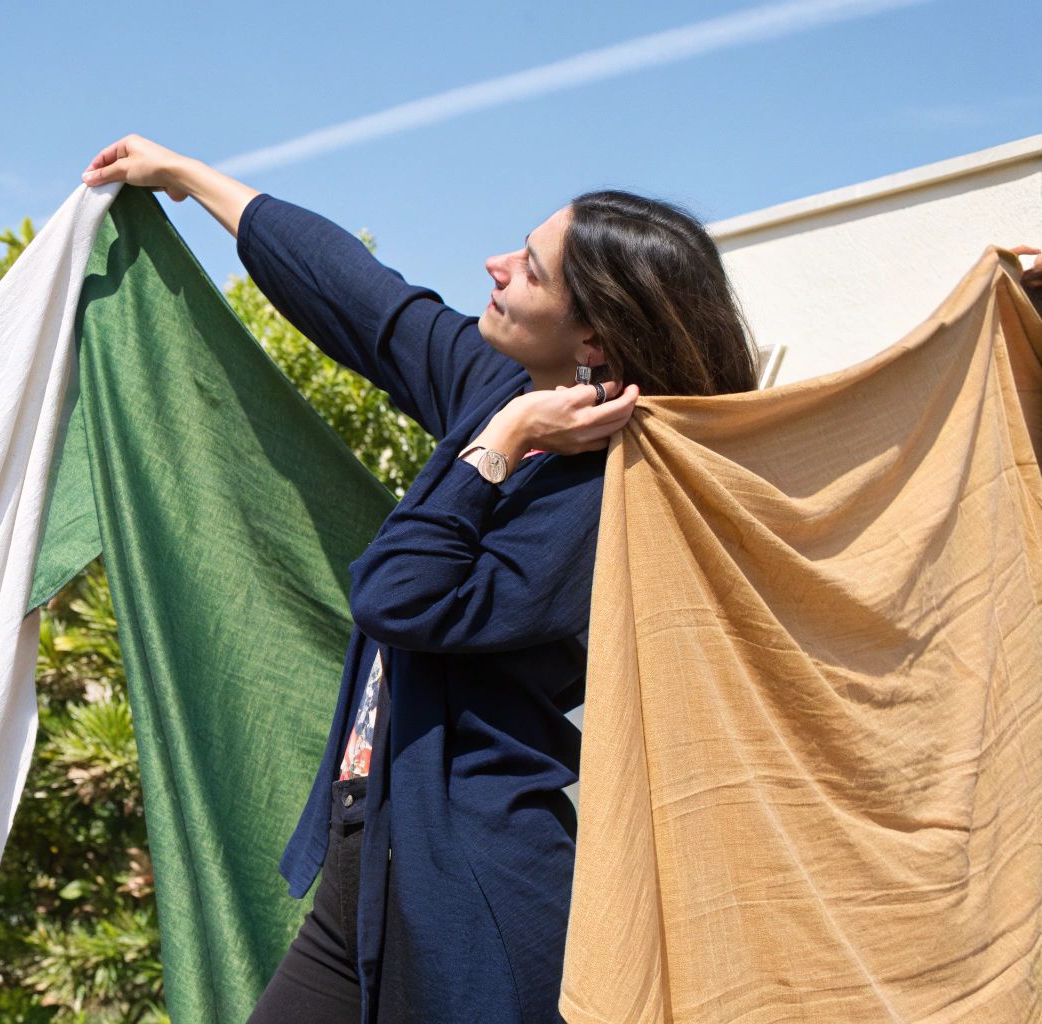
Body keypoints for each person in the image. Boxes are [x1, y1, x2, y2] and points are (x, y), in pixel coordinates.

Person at [80, 134, 760, 1024]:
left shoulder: (605, 497)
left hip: (475, 891)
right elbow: (365, 303)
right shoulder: (499, 384)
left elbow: (398, 595)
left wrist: (499, 448)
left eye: (530, 268)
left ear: (593, 335)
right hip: (372, 869)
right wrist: (187, 176)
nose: (497, 265)